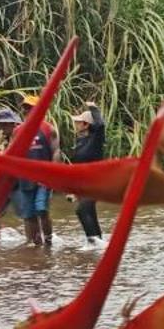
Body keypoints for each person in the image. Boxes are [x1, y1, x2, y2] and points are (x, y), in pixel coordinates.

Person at [0, 102, 58, 247]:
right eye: (25, 109)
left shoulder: (48, 129)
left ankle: (48, 241)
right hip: (24, 179)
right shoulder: (18, 132)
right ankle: (35, 243)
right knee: (29, 215)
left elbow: (56, 151)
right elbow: (13, 154)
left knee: (41, 210)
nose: (27, 111)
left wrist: (52, 173)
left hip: (43, 178)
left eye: (30, 109)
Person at [69, 102, 107, 248]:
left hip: (96, 182)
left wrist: (94, 108)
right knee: (89, 211)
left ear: (86, 124)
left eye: (78, 122)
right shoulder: (80, 141)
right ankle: (98, 241)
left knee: (81, 210)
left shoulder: (95, 140)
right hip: (83, 184)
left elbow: (101, 125)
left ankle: (93, 241)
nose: (76, 125)